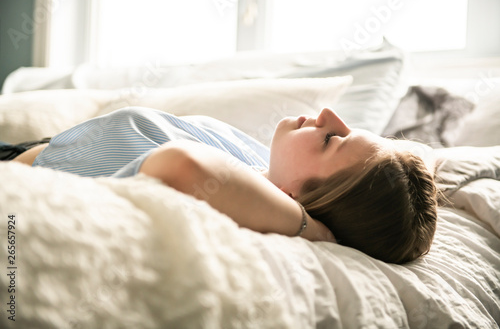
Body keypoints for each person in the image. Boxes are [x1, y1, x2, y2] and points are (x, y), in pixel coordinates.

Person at [11, 106, 438, 264]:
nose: (329, 115)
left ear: (299, 200)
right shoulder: (264, 167)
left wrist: (310, 226)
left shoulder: (254, 198)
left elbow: (183, 165)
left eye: (332, 140)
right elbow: (412, 174)